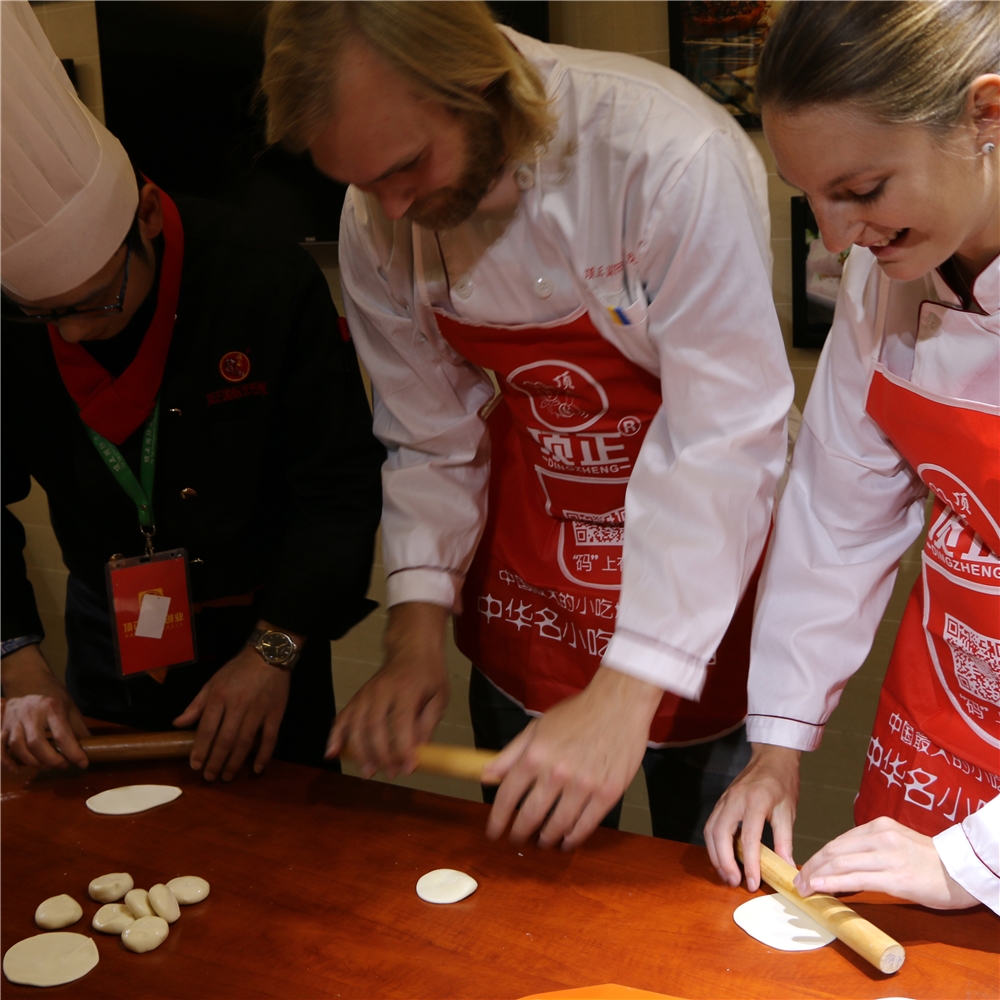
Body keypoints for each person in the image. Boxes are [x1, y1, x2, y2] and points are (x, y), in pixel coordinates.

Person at [262, 1, 794, 849]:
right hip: (532, 602)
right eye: (363, 184)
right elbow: (429, 433)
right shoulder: (379, 218)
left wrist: (627, 693)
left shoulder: (665, 155)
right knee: (534, 909)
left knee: (713, 907)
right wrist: (415, 630)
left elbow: (725, 440)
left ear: (480, 87)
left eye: (407, 166)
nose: (391, 210)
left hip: (695, 606)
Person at [0, 0, 385, 781]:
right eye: (43, 314)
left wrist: (274, 653)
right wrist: (17, 665)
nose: (70, 335)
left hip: (268, 626)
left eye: (94, 303)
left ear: (145, 216)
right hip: (111, 625)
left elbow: (338, 487)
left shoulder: (263, 279)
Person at [705, 0, 999, 914]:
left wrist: (971, 863)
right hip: (941, 726)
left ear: (989, 115)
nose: (834, 241)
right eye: (813, 199)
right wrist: (776, 750)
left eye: (863, 191)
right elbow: (838, 519)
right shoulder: (887, 281)